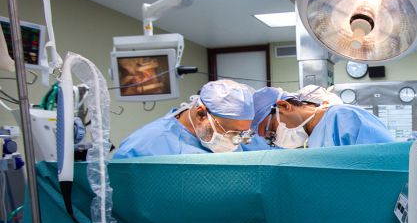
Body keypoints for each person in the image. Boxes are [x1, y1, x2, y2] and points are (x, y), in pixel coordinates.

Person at [113, 80, 255, 158]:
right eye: (230, 132)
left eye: (240, 133)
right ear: (201, 114)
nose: (235, 141)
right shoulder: (142, 148)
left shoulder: (232, 143)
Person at [252, 85, 394, 149]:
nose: (276, 139)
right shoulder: (313, 140)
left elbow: (386, 161)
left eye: (271, 130)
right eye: (270, 139)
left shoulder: (344, 118)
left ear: (284, 106)